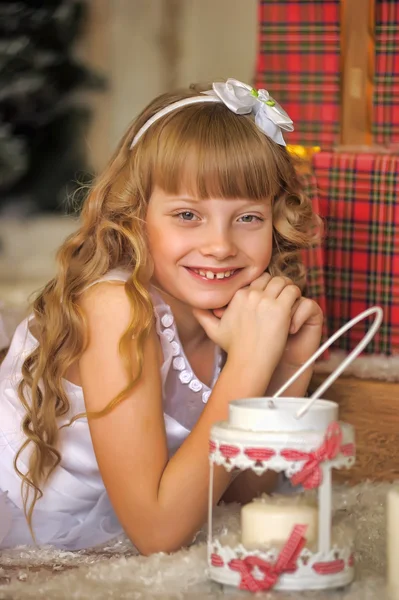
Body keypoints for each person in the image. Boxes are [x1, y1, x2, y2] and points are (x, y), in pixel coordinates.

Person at [0, 78, 323, 554]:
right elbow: (158, 535)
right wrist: (248, 364)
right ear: (134, 216)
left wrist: (288, 365)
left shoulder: (235, 310)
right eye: (187, 215)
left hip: (125, 522)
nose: (220, 246)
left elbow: (236, 497)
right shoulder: (118, 309)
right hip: (31, 522)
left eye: (248, 217)